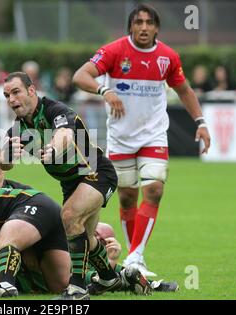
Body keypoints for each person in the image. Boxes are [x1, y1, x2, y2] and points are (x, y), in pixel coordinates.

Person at [72, 4, 211, 277]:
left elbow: (183, 89)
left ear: (157, 27)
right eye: (139, 22)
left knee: (155, 190)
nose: (144, 27)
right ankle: (133, 257)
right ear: (131, 27)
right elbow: (80, 76)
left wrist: (201, 122)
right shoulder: (113, 51)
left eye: (149, 22)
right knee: (126, 197)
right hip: (121, 138)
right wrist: (104, 89)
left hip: (153, 135)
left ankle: (136, 255)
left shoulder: (167, 56)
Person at [0, 72, 149, 300]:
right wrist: (7, 157)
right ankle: (110, 278)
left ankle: (77, 289)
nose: (11, 99)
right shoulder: (19, 128)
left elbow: (65, 135)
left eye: (16, 92)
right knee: (86, 239)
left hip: (96, 172)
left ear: (31, 90)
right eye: (7, 95)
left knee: (69, 217)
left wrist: (52, 150)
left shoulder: (54, 110)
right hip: (71, 184)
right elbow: (4, 162)